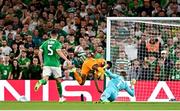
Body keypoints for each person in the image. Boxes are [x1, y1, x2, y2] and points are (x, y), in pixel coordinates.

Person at [34, 30, 71, 102]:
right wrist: (66, 59)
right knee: (58, 81)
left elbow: (39, 53)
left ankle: (40, 82)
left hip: (47, 64)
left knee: (45, 80)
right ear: (57, 36)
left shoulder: (45, 43)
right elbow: (59, 51)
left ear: (50, 35)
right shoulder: (57, 43)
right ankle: (60, 98)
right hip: (55, 64)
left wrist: (41, 62)